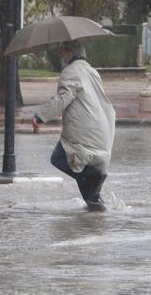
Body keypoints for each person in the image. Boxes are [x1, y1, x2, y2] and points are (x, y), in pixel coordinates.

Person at [31, 40, 115, 211]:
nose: (62, 56)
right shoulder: (92, 71)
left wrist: (40, 117)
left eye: (63, 52)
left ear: (69, 54)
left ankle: (94, 179)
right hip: (101, 126)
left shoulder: (70, 71)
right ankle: (95, 204)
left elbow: (63, 98)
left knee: (59, 159)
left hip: (83, 129)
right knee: (79, 168)